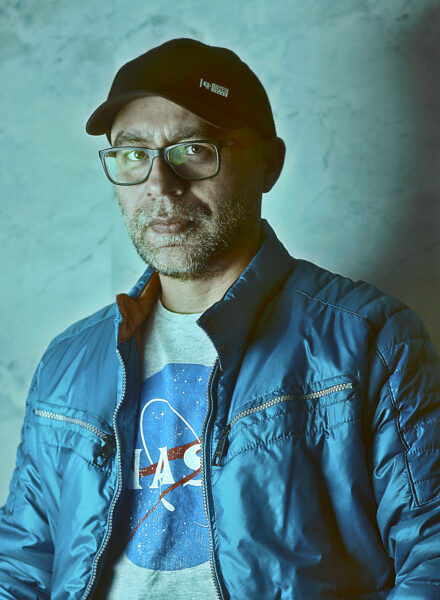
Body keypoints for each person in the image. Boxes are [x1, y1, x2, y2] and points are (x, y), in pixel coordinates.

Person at [0, 37, 439, 600]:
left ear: (268, 164)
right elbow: (20, 569)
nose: (160, 184)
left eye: (194, 148)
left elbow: (431, 559)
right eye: (133, 154)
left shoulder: (370, 341)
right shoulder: (68, 363)